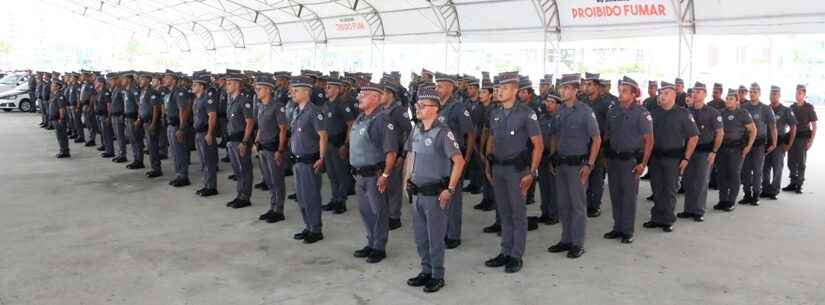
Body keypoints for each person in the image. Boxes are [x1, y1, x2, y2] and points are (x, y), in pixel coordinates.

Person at [404, 86, 465, 293]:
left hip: (435, 195)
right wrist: (407, 179)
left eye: (422, 105)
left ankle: (437, 274)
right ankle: (425, 270)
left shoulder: (443, 132)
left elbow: (459, 161)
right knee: (420, 236)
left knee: (435, 237)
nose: (418, 108)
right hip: (417, 193)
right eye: (417, 104)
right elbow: (411, 154)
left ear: (435, 108)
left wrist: (450, 188)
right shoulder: (416, 130)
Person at [482, 71, 542, 272]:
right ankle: (505, 251)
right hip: (498, 168)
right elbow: (492, 138)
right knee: (504, 212)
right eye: (498, 88)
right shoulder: (495, 113)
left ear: (515, 90)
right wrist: (488, 162)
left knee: (518, 213)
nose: (499, 91)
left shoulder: (526, 113)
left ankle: (516, 255)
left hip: (517, 171)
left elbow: (538, 145)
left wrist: (532, 173)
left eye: (505, 88)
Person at [547, 73, 601, 258]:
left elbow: (596, 139)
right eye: (562, 87)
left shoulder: (585, 111)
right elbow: (554, 135)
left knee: (577, 205)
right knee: (563, 204)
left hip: (578, 165)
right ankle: (566, 239)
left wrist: (590, 164)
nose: (563, 91)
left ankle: (577, 243)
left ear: (576, 90)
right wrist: (553, 156)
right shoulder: (560, 111)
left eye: (568, 88)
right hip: (561, 164)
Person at [349, 82, 398, 263]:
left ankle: (379, 246)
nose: (359, 98)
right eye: (360, 95)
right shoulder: (361, 118)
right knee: (365, 211)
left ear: (376, 98)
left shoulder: (382, 120)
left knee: (378, 212)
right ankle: (371, 242)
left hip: (374, 175)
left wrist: (385, 175)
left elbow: (391, 151)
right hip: (360, 175)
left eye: (365, 95)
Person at [603, 77, 653, 244]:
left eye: (624, 91)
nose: (620, 94)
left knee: (629, 196)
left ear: (633, 93)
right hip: (613, 159)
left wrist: (643, 164)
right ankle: (617, 227)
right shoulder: (613, 111)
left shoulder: (642, 113)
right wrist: (605, 156)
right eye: (620, 90)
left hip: (630, 161)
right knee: (615, 194)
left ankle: (627, 230)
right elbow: (607, 135)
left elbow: (649, 140)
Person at [644, 81, 698, 233]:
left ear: (674, 94)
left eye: (666, 93)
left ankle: (667, 219)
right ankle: (656, 218)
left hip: (673, 158)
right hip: (656, 157)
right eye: (661, 93)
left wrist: (686, 158)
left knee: (669, 189)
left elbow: (693, 137)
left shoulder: (683, 113)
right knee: (657, 188)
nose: (662, 96)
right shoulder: (653, 113)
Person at [434, 73, 477, 249]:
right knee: (438, 196)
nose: (437, 89)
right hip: (437, 159)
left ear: (451, 87)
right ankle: (441, 230)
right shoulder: (435, 107)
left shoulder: (458, 108)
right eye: (436, 86)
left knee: (453, 198)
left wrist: (466, 158)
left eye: (441, 86)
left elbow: (471, 133)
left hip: (453, 158)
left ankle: (453, 235)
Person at [289, 75, 328, 244]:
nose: (293, 93)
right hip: (298, 160)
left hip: (309, 161)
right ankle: (308, 225)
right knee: (302, 196)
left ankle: (316, 229)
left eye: (296, 91)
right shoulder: (297, 110)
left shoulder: (314, 111)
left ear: (306, 92)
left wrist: (321, 157)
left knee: (311, 196)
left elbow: (323, 135)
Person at [678, 82, 722, 222]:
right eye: (694, 91)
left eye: (699, 91)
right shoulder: (686, 111)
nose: (695, 94)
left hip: (704, 151)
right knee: (688, 180)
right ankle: (688, 209)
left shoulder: (713, 112)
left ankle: (698, 210)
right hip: (688, 151)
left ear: (705, 94)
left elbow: (720, 133)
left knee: (701, 181)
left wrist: (714, 151)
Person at [254, 73, 289, 222]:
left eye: (260, 89)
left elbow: (283, 129)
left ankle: (279, 210)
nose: (257, 91)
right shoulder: (261, 106)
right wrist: (256, 142)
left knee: (277, 180)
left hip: (273, 149)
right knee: (269, 180)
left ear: (268, 90)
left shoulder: (278, 107)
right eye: (256, 88)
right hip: (263, 148)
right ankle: (272, 206)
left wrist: (280, 150)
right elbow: (260, 127)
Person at [714, 89, 756, 211]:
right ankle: (722, 200)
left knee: (734, 174)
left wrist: (748, 146)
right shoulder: (720, 113)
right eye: (727, 98)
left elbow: (753, 130)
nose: (728, 101)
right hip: (722, 148)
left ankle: (731, 201)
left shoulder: (743, 113)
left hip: (737, 149)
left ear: (737, 101)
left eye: (731, 99)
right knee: (721, 175)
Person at [321, 74, 357, 214]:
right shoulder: (326, 104)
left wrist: (346, 145)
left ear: (337, 89)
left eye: (329, 87)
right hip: (328, 143)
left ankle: (341, 201)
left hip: (338, 143)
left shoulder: (342, 105)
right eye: (326, 87)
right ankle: (334, 199)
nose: (326, 89)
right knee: (331, 173)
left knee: (340, 174)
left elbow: (351, 125)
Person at [380, 77, 412, 230]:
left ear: (391, 94)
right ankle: (386, 214)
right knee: (383, 187)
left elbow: (408, 133)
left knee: (393, 187)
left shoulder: (399, 111)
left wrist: (403, 155)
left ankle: (394, 217)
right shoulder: (381, 110)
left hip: (395, 153)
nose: (380, 96)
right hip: (383, 154)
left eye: (383, 93)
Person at [739, 83, 777, 206]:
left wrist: (774, 143)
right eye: (751, 91)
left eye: (755, 91)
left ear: (760, 93)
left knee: (757, 170)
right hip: (746, 142)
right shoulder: (743, 107)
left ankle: (756, 194)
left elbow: (772, 127)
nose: (752, 93)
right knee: (745, 170)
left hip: (759, 144)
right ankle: (747, 194)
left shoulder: (766, 108)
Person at [224, 72, 257, 209]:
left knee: (244, 169)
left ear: (237, 84)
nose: (227, 86)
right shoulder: (231, 100)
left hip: (240, 140)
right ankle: (240, 194)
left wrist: (244, 142)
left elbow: (250, 122)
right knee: (237, 170)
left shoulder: (244, 101)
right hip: (232, 140)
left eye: (229, 83)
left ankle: (245, 197)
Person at [761, 86, 797, 200]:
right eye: (771, 94)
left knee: (777, 168)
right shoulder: (765, 109)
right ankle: (765, 189)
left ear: (779, 95)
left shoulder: (786, 110)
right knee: (764, 168)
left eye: (776, 94)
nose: (773, 96)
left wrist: (789, 145)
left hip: (780, 144)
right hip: (765, 143)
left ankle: (774, 190)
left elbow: (793, 127)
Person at [784, 85, 817, 193]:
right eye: (796, 93)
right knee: (791, 162)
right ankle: (793, 182)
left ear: (804, 95)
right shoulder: (791, 107)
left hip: (803, 139)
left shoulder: (809, 107)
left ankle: (799, 184)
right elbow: (786, 124)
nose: (797, 95)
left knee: (801, 162)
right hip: (792, 138)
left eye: (799, 93)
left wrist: (811, 142)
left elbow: (814, 126)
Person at [163, 71, 194, 186]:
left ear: (174, 80)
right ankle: (178, 174)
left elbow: (183, 110)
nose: (165, 79)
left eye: (167, 77)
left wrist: (181, 128)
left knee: (180, 151)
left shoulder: (180, 92)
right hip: (171, 125)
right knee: (175, 152)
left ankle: (183, 176)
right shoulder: (171, 92)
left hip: (177, 126)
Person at [191, 72, 219, 197]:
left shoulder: (207, 98)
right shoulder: (198, 99)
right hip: (198, 132)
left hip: (205, 133)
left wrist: (209, 133)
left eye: (195, 85)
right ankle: (206, 184)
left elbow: (212, 116)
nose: (193, 86)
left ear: (202, 86)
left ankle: (211, 187)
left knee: (209, 161)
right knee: (203, 160)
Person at [93, 76, 115, 158]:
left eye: (97, 82)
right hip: (100, 115)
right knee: (103, 133)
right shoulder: (99, 92)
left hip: (105, 115)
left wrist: (109, 117)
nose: (95, 83)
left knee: (107, 134)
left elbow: (109, 106)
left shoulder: (106, 92)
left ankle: (110, 151)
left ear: (101, 83)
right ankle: (106, 148)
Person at [50, 78, 70, 158]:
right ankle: (63, 150)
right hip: (56, 119)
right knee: (59, 136)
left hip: (59, 119)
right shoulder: (54, 95)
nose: (51, 87)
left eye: (53, 85)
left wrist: (61, 119)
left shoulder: (60, 96)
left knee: (62, 136)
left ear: (58, 87)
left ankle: (65, 151)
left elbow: (62, 108)